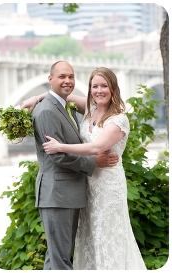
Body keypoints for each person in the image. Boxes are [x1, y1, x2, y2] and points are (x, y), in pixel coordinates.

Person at [36, 67, 146, 270]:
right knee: (89, 237)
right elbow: (61, 96)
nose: (99, 91)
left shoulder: (118, 119)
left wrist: (60, 146)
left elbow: (97, 147)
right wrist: (34, 99)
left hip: (108, 186)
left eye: (104, 86)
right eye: (94, 86)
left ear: (113, 88)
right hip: (87, 186)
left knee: (108, 236)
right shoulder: (89, 110)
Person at [20, 62, 119, 270]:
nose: (68, 81)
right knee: (61, 260)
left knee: (57, 257)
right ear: (50, 80)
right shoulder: (48, 111)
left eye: (71, 77)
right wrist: (95, 162)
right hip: (58, 194)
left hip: (69, 194)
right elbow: (57, 156)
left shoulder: (65, 106)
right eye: (62, 76)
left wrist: (37, 97)